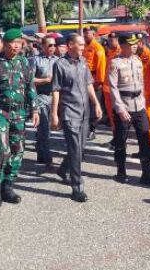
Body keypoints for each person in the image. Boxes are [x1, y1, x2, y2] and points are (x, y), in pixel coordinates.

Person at [0, 29, 39, 208]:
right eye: (13, 42)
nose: (17, 45)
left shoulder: (24, 62)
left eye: (19, 42)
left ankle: (8, 186)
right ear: (5, 44)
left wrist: (35, 109)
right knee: (1, 150)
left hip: (19, 114)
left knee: (17, 150)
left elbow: (30, 87)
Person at [108, 32, 150, 187]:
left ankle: (146, 173)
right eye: (131, 44)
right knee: (121, 140)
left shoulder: (138, 61)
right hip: (124, 106)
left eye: (135, 44)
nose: (134, 46)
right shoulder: (115, 63)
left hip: (139, 106)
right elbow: (113, 89)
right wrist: (119, 109)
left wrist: (143, 104)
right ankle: (121, 171)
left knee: (145, 139)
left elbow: (141, 84)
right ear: (123, 45)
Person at [51, 33, 102, 202]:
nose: (83, 48)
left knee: (80, 148)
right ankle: (77, 187)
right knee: (75, 148)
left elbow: (89, 84)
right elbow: (56, 90)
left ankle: (63, 169)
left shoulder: (83, 62)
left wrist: (96, 104)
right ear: (70, 45)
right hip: (69, 111)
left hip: (84, 111)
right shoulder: (60, 64)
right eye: (80, 45)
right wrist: (54, 114)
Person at [32, 35, 58, 171]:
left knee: (45, 131)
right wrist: (45, 80)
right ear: (42, 46)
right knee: (45, 131)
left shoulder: (58, 61)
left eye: (54, 45)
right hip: (41, 98)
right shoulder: (36, 60)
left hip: (55, 98)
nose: (52, 48)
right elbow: (30, 80)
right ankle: (49, 161)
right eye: (49, 45)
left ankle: (41, 153)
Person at [135, 34, 150, 160]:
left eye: (136, 43)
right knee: (140, 125)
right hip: (137, 97)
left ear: (141, 43)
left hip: (148, 97)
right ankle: (143, 148)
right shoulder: (135, 56)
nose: (134, 45)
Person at [82, 26, 106, 141]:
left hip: (94, 80)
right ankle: (86, 128)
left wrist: (99, 81)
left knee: (94, 106)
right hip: (84, 79)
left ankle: (92, 129)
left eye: (88, 33)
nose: (86, 35)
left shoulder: (98, 48)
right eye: (84, 33)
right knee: (85, 105)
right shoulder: (84, 46)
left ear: (94, 34)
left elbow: (101, 66)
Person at [103, 32, 121, 131]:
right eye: (108, 40)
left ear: (117, 40)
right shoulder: (109, 52)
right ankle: (115, 137)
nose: (109, 42)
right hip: (107, 88)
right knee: (111, 115)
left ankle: (119, 139)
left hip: (116, 90)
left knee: (118, 115)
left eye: (111, 40)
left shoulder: (121, 53)